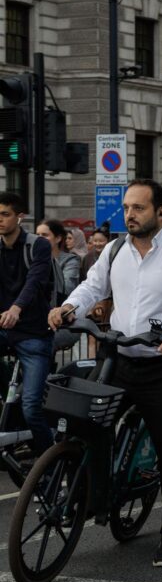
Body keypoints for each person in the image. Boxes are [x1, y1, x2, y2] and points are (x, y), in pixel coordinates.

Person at [49, 179, 162, 566]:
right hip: (118, 358)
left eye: (139, 208)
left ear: (160, 212)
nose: (129, 214)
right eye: (127, 208)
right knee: (87, 422)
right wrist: (67, 308)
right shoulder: (115, 250)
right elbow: (90, 287)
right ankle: (93, 498)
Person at [0, 191, 55, 455]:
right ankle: (9, 401)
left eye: (5, 214)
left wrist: (16, 308)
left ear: (19, 216)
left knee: (32, 408)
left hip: (33, 333)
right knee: (18, 401)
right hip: (4, 330)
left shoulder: (37, 245)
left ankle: (50, 462)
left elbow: (35, 282)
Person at [36, 219, 80, 297]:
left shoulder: (70, 261)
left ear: (58, 238)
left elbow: (67, 288)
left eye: (45, 235)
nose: (39, 238)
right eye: (37, 235)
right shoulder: (32, 258)